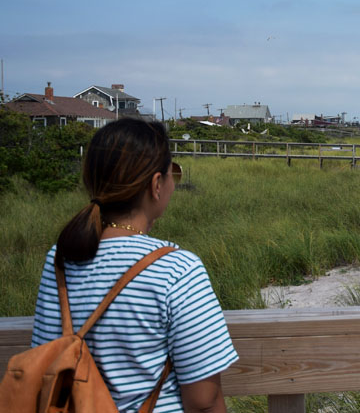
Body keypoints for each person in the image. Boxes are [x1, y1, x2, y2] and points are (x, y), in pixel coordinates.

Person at [31, 119, 238, 413]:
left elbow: (44, 360)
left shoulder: (60, 259)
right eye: (172, 174)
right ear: (156, 185)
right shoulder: (177, 269)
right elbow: (204, 402)